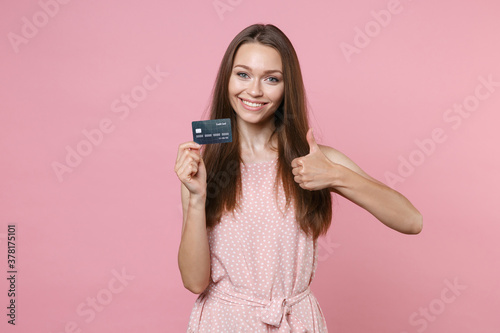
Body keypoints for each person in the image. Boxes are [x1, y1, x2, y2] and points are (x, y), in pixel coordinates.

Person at [175, 23, 422, 333]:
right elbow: (194, 281)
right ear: (227, 79)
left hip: (296, 322)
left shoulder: (314, 160)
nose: (254, 90)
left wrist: (337, 175)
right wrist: (197, 198)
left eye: (271, 79)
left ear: (286, 87)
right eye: (242, 74)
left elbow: (411, 221)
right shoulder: (204, 168)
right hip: (225, 323)